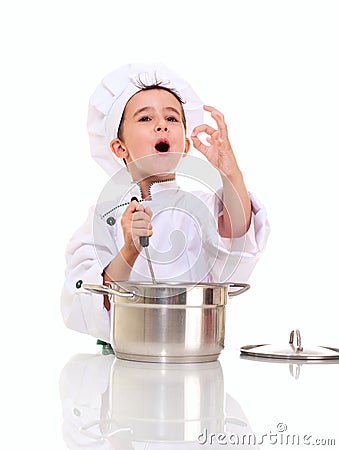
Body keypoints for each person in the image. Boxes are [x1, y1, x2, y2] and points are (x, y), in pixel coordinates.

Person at [61, 63, 270, 343]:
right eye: (145, 119)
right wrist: (129, 250)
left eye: (172, 119)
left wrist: (229, 171)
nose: (161, 124)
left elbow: (237, 233)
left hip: (195, 352)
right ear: (119, 147)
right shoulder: (102, 218)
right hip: (126, 361)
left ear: (185, 146)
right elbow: (85, 302)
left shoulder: (201, 206)